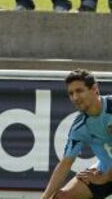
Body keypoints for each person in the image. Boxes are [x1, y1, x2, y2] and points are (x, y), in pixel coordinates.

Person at [41, 69, 112, 199]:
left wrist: (105, 177)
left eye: (79, 91)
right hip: (105, 173)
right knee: (62, 197)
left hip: (106, 176)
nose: (75, 98)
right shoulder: (79, 127)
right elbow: (66, 164)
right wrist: (45, 197)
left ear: (95, 89)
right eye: (71, 93)